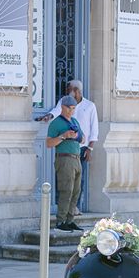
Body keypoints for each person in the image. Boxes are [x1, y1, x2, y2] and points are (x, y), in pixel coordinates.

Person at [40, 80, 99, 214]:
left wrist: (90, 148)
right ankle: (61, 209)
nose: (67, 91)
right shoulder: (64, 101)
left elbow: (94, 129)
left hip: (82, 148)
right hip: (65, 147)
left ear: (77, 91)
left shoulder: (90, 106)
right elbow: (56, 112)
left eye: (70, 89)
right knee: (64, 179)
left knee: (79, 180)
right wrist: (48, 116)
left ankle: (74, 207)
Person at [45, 95, 85, 231]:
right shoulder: (56, 123)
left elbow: (83, 139)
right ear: (62, 107)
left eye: (74, 109)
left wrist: (77, 136)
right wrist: (64, 136)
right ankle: (61, 221)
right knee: (66, 190)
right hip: (64, 159)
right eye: (69, 108)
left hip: (77, 158)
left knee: (76, 191)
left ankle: (70, 220)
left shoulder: (74, 121)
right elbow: (49, 143)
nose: (71, 111)